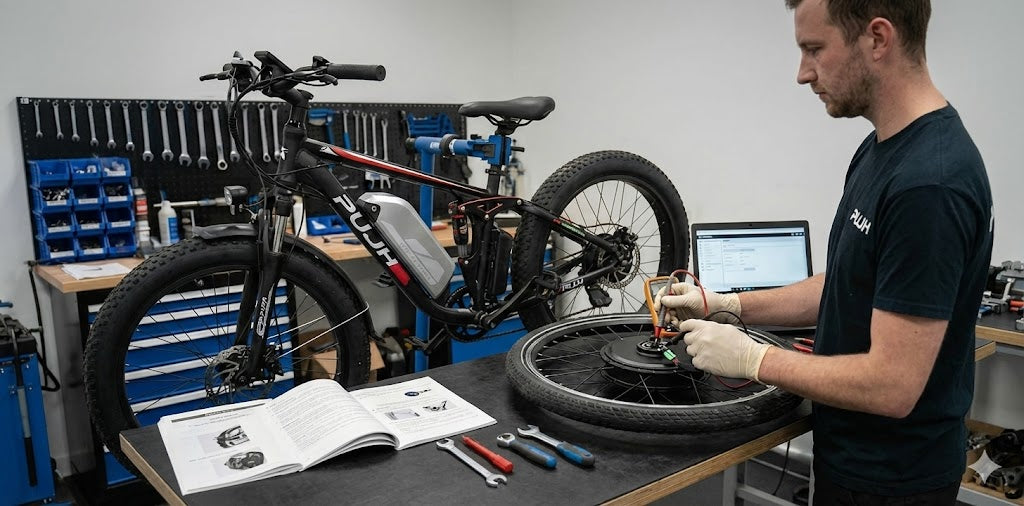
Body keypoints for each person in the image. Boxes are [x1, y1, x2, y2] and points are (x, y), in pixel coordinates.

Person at [656, 0, 994, 503]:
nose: (802, 73)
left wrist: (753, 358)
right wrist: (725, 305)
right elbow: (843, 284)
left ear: (877, 39)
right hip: (849, 459)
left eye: (814, 49)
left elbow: (892, 385)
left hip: (893, 482)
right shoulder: (880, 149)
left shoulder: (930, 183)